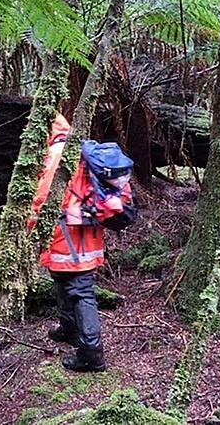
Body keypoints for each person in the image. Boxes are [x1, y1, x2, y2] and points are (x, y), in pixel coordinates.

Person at [29, 114, 135, 372]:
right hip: (84, 233)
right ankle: (69, 328)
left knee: (80, 289)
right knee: (62, 279)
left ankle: (91, 352)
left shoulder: (56, 154)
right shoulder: (80, 149)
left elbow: (40, 196)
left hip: (67, 235)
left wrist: (30, 226)